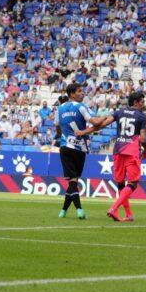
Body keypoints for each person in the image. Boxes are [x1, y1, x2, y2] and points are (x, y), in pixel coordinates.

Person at [91, 92, 146, 222]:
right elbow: (143, 138)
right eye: (142, 101)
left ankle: (128, 214)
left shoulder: (119, 112)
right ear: (135, 102)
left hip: (118, 149)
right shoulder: (141, 117)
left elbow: (103, 124)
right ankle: (113, 208)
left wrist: (86, 131)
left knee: (121, 182)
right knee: (133, 183)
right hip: (132, 151)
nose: (143, 104)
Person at [54, 84, 97, 220]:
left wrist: (63, 135)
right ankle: (79, 210)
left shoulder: (59, 109)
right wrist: (105, 120)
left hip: (66, 146)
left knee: (73, 181)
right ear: (72, 94)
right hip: (79, 148)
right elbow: (94, 122)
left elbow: (57, 128)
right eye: (79, 91)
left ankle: (63, 211)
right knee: (73, 181)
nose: (82, 93)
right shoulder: (81, 107)